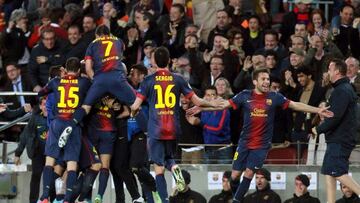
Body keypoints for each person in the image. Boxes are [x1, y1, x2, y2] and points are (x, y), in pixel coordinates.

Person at [187, 67, 333, 203]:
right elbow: (222, 104)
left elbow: (296, 105)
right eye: (263, 79)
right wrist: (200, 107)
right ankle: (237, 194)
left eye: (268, 79)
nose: (267, 82)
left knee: (249, 173)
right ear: (255, 81)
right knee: (235, 176)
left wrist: (317, 110)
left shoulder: (274, 97)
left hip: (261, 146)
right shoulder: (245, 96)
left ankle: (236, 201)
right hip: (244, 143)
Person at [130, 46, 217, 202]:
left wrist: (133, 113)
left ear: (154, 61)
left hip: (156, 129)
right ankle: (176, 169)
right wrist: (214, 104)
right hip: (173, 128)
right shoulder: (178, 79)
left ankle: (164, 200)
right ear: (169, 61)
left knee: (158, 168)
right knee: (169, 158)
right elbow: (196, 100)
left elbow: (135, 106)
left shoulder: (148, 81)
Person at [58, 25, 146, 149]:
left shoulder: (93, 44)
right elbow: (120, 56)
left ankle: (70, 126)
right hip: (117, 78)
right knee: (136, 106)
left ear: (97, 35)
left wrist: (96, 84)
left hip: (100, 79)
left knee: (86, 107)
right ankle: (148, 135)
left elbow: (88, 68)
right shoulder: (118, 41)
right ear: (108, 34)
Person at [37, 57, 91, 203]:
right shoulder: (84, 82)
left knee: (50, 161)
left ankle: (45, 196)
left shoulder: (56, 81)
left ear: (65, 70)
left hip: (57, 123)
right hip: (73, 124)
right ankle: (67, 199)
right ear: (79, 70)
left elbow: (41, 92)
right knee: (71, 164)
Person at [312, 58, 360, 203]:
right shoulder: (341, 89)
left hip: (341, 138)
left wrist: (318, 129)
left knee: (337, 171)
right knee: (329, 172)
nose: (328, 72)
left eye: (330, 69)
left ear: (337, 71)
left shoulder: (342, 90)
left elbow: (335, 116)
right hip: (338, 138)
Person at [14, 97, 48, 203]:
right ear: (40, 106)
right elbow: (25, 135)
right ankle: (33, 201)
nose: (46, 107)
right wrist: (17, 153)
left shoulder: (57, 117)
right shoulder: (35, 118)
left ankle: (50, 199)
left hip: (52, 153)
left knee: (52, 177)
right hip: (38, 152)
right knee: (36, 175)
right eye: (44, 104)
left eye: (48, 104)